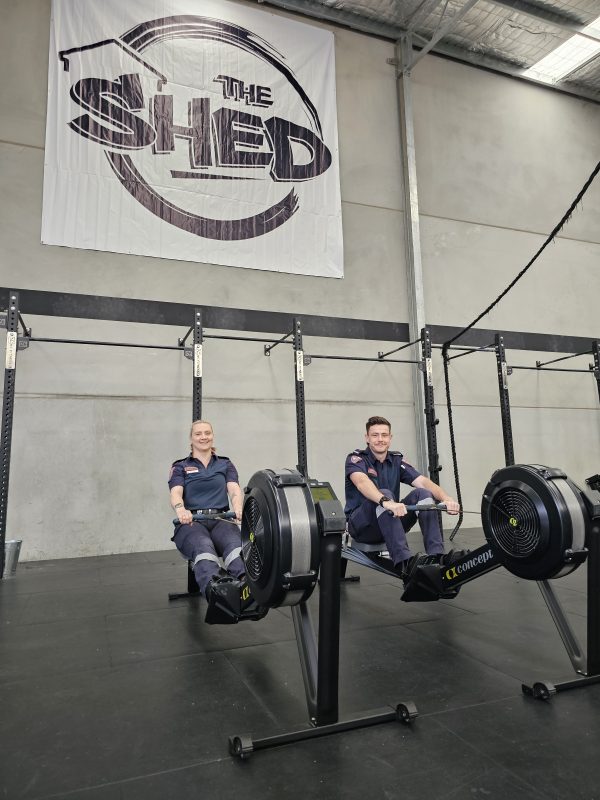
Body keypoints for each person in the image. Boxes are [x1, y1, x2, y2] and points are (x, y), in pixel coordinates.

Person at [345, 415, 460, 579]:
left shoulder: (396, 460)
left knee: (423, 494)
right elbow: (362, 482)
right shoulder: (356, 459)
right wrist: (386, 502)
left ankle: (437, 557)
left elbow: (423, 482)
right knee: (385, 493)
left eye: (384, 435)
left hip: (390, 522)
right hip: (362, 527)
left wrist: (446, 498)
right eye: (375, 435)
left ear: (390, 438)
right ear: (367, 438)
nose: (380, 439)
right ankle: (404, 564)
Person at [168, 419, 246, 602]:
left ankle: (246, 587)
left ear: (212, 436)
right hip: (192, 521)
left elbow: (234, 490)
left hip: (221, 518)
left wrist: (238, 508)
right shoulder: (180, 466)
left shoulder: (225, 464)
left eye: (207, 433)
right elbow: (176, 493)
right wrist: (181, 510)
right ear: (191, 438)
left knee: (234, 545)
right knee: (203, 546)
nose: (203, 437)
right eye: (198, 433)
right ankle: (216, 592)